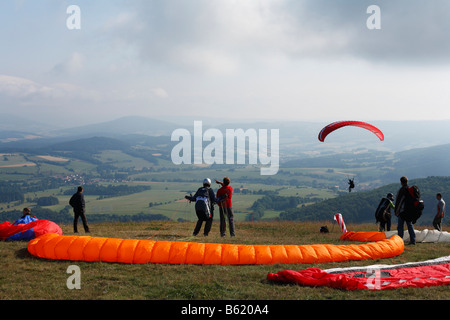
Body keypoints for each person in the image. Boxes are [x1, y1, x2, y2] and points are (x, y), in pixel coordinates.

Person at [394, 176, 416, 245]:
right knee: (410, 225)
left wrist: (396, 211)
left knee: (400, 226)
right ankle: (413, 240)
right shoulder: (410, 190)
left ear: (401, 182)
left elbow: (399, 201)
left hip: (402, 211)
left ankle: (400, 241)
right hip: (409, 211)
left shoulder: (402, 190)